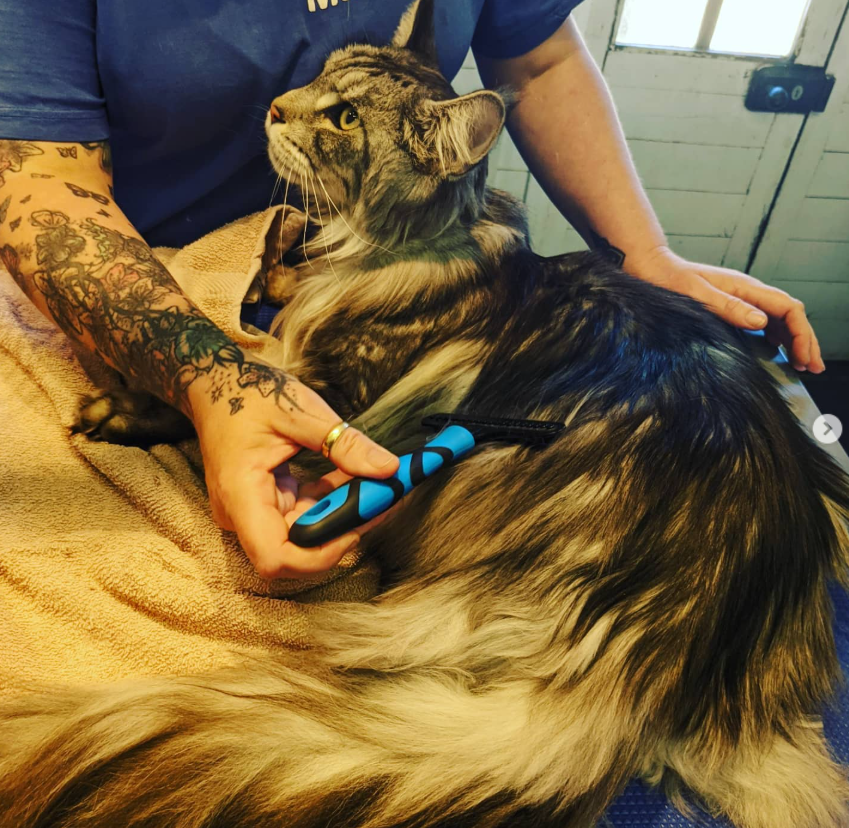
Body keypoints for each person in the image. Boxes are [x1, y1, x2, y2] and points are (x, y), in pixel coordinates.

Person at [0, 0, 824, 580]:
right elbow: (37, 184)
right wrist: (206, 384)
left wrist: (643, 251)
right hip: (145, 264)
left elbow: (537, 56)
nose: (286, 106)